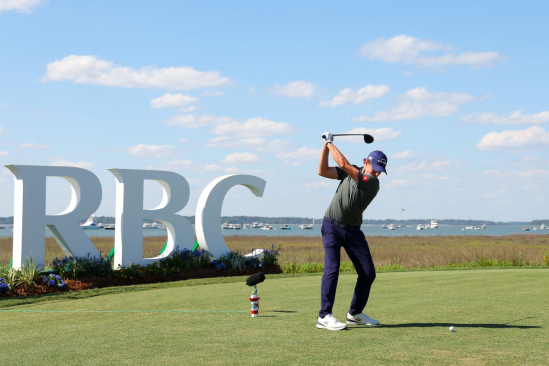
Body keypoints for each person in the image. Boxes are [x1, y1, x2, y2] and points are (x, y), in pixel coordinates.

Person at [316, 132, 388, 331]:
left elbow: (344, 165)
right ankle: (324, 316)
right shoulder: (353, 172)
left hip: (353, 231)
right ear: (366, 161)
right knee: (332, 268)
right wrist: (325, 146)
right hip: (331, 226)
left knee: (368, 273)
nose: (378, 173)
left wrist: (329, 142)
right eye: (376, 168)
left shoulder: (372, 182)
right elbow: (322, 171)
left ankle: (355, 313)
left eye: (381, 170)